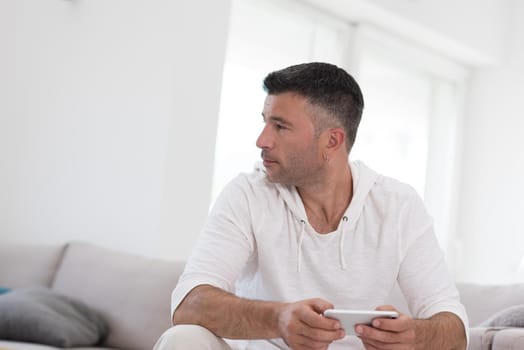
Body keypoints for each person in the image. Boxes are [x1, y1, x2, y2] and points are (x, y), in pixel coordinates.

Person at [154, 62, 468, 350]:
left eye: (280, 126)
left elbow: (454, 327)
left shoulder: (398, 205)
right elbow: (188, 303)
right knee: (183, 338)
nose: (262, 140)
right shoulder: (246, 193)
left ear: (332, 141)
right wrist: (278, 318)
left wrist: (416, 335)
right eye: (265, 123)